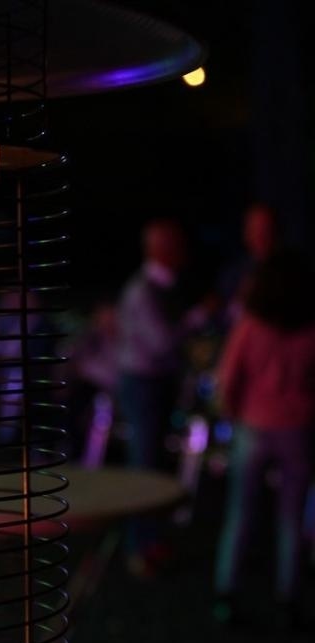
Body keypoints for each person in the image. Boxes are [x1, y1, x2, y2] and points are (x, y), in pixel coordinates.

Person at [213, 250, 315, 628]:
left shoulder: (250, 326)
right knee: (291, 517)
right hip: (298, 430)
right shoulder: (309, 329)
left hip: (254, 427)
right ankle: (289, 597)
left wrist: (235, 414)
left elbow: (229, 379)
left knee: (240, 513)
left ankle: (226, 592)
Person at [115, 219, 189, 576]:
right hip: (143, 384)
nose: (183, 251)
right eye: (175, 245)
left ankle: (148, 541)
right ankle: (137, 546)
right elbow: (162, 342)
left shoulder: (157, 288)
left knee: (151, 461)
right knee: (144, 464)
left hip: (151, 383)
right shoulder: (144, 292)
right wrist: (194, 323)